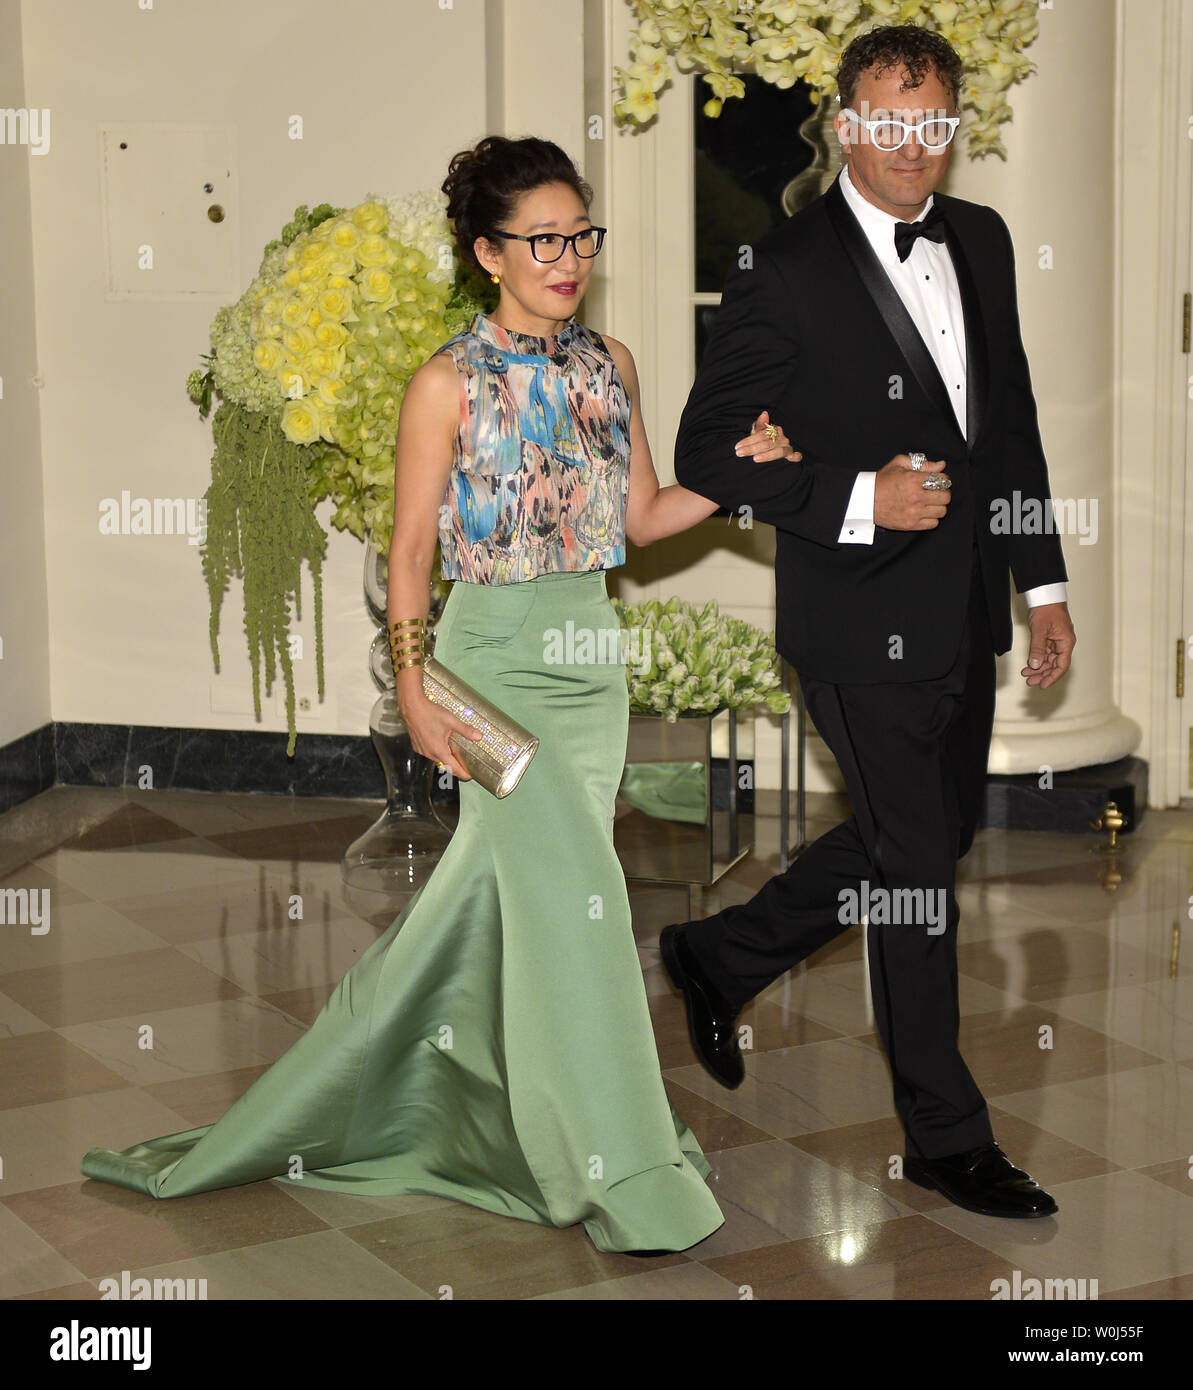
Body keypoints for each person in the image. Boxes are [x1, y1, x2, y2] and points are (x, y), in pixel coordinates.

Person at [79, 135, 798, 1256]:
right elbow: (409, 552)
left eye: (580, 233)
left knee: (498, 913)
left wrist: (738, 473)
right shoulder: (443, 383)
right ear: (487, 252)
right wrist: (417, 688)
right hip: (489, 661)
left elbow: (642, 519)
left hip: (586, 655)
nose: (568, 256)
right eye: (542, 238)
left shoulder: (610, 363)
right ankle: (616, 1165)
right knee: (583, 916)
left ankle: (408, 1107)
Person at [662, 24, 1076, 1220]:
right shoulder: (782, 267)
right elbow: (703, 448)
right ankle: (946, 1135)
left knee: (926, 841)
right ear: (844, 123)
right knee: (917, 880)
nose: (909, 145)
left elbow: (1010, 426)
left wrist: (1038, 585)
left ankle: (723, 952)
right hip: (853, 623)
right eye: (886, 121)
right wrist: (857, 499)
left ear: (951, 127)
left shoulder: (981, 241)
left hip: (963, 612)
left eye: (930, 121)